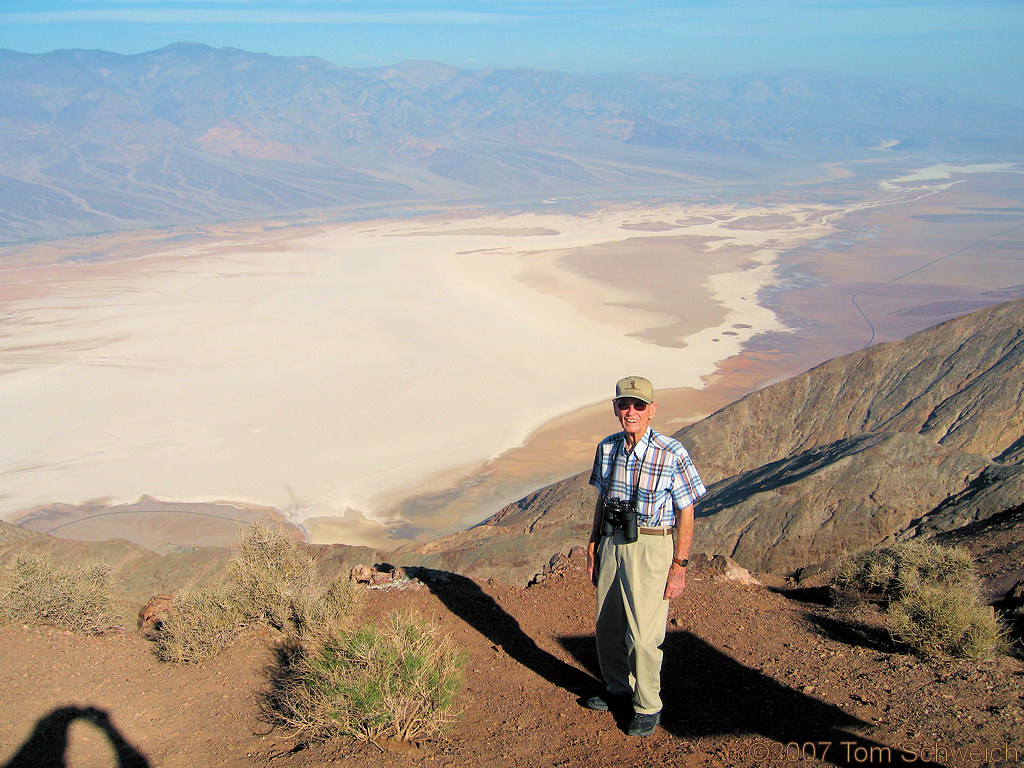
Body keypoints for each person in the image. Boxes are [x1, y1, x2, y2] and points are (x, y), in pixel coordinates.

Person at [585, 375, 707, 736]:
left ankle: (647, 705)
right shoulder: (607, 449)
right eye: (624, 404)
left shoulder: (672, 453)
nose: (631, 411)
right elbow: (601, 499)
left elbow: (687, 510)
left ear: (652, 410)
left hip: (653, 545)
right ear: (615, 409)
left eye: (639, 405)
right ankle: (617, 688)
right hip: (612, 542)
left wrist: (679, 565)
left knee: (642, 634)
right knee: (607, 627)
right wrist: (593, 545)